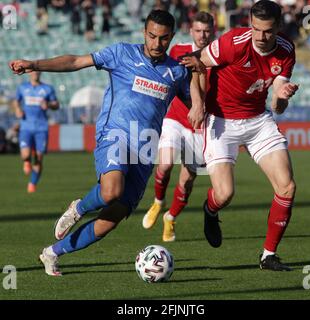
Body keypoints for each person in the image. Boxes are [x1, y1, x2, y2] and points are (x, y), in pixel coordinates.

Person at [9, 10, 203, 276]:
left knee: (110, 220)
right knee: (111, 191)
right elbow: (76, 61)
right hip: (115, 133)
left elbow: (199, 108)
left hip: (145, 149)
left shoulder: (177, 71)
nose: (157, 43)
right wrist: (35, 64)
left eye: (164, 38)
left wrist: (196, 75)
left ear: (171, 37)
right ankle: (78, 207)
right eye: (152, 36)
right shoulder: (121, 53)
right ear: (144, 32)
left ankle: (52, 253)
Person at [182, 0, 299, 271]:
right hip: (221, 122)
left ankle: (268, 255)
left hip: (258, 121)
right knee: (225, 194)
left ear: (278, 27)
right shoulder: (233, 42)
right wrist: (198, 103)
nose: (260, 36)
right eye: (256, 29)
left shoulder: (286, 50)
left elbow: (276, 107)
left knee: (287, 186)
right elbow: (197, 64)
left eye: (267, 31)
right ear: (250, 23)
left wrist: (281, 97)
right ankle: (210, 211)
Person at [142, 11, 215, 242]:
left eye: (206, 31)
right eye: (198, 30)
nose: (202, 35)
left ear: (212, 31)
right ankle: (157, 202)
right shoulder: (176, 51)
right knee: (164, 165)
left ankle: (170, 217)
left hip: (201, 126)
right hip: (175, 118)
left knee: (187, 180)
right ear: (190, 31)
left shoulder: (219, 55)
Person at [13, 71, 59, 193]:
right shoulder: (22, 87)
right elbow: (16, 101)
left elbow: (56, 104)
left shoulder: (47, 88)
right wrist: (17, 109)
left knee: (39, 158)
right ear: (28, 73)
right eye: (33, 71)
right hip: (26, 126)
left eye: (37, 71)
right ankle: (26, 161)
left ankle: (32, 183)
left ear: (40, 73)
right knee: (25, 155)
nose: (35, 73)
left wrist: (48, 104)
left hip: (41, 128)